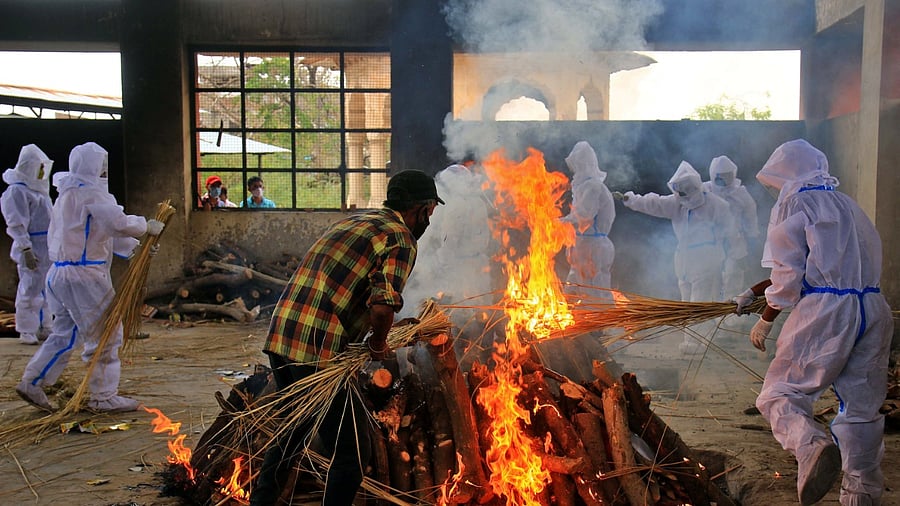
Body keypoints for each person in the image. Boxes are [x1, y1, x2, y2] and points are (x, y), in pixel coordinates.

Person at [250, 169, 443, 505]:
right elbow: (383, 307)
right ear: (422, 208)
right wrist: (379, 344)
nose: (430, 219)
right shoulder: (400, 237)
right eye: (431, 211)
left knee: (294, 430)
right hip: (316, 347)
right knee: (353, 451)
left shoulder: (357, 221)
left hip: (283, 334)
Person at [732, 139, 893, 505]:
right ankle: (862, 497)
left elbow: (788, 276)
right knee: (861, 412)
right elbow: (826, 263)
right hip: (871, 306)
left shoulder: (797, 203)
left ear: (788, 175)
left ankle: (812, 447)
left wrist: (767, 318)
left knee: (779, 394)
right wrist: (753, 291)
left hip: (827, 312)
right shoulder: (846, 204)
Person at [15, 142, 165, 413]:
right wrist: (145, 226)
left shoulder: (67, 194)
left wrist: (136, 249)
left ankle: (32, 381)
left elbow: (100, 233)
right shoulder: (92, 194)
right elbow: (116, 223)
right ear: (93, 167)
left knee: (64, 334)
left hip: (59, 275)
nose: (105, 172)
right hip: (84, 277)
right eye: (102, 166)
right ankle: (103, 396)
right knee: (106, 335)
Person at [613, 161, 735, 353]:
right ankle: (696, 339)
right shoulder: (678, 203)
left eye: (685, 192)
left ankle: (695, 344)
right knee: (686, 300)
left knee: (699, 301)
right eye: (679, 192)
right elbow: (654, 203)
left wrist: (727, 256)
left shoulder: (717, 205)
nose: (682, 196)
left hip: (706, 258)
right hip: (685, 259)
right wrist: (630, 199)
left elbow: (729, 232)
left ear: (694, 187)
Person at [1, 144, 54, 345]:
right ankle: (27, 329)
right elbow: (16, 222)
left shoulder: (40, 191)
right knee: (30, 288)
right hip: (32, 244)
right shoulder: (17, 191)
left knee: (47, 289)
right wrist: (25, 248)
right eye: (39, 167)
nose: (42, 172)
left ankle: (45, 326)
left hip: (46, 244)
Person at [559, 141, 615, 301]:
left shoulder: (593, 187)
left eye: (577, 164)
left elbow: (584, 215)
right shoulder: (583, 186)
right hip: (582, 246)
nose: (575, 169)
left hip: (593, 249)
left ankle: (603, 324)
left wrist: (559, 223)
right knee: (572, 290)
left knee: (594, 294)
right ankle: (572, 322)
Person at [702, 155, 759, 298]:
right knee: (711, 277)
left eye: (727, 176)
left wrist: (752, 235)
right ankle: (711, 312)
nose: (723, 180)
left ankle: (730, 312)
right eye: (720, 176)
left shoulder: (741, 193)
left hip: (735, 240)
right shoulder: (704, 190)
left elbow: (750, 216)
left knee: (733, 274)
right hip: (710, 240)